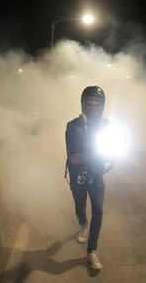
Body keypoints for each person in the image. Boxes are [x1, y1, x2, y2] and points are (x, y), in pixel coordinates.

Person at [64, 86, 110, 270]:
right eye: (89, 104)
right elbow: (74, 157)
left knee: (98, 211)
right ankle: (83, 225)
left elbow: (112, 151)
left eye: (97, 104)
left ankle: (92, 251)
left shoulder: (107, 126)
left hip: (97, 175)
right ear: (83, 105)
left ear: (102, 106)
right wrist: (97, 153)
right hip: (78, 177)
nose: (93, 108)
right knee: (80, 207)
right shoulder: (73, 126)